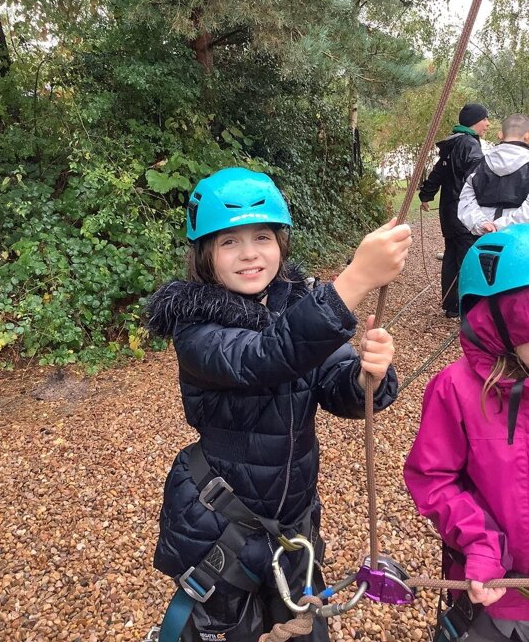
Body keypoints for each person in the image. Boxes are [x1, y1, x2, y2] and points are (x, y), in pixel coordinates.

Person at [146, 167, 412, 642]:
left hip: (294, 524)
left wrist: (367, 375)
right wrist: (354, 281)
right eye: (229, 242)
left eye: (262, 237)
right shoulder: (196, 326)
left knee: (305, 629)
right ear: (204, 254)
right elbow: (265, 357)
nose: (249, 253)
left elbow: (336, 386)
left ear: (281, 243)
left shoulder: (297, 304)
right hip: (221, 525)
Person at [404, 224, 529, 641]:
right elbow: (433, 477)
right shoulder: (456, 390)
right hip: (498, 597)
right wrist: (481, 543)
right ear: (499, 324)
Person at [419, 103, 490, 318]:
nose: (487, 124)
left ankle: (451, 306)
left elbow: (438, 171)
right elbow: (479, 177)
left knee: (451, 255)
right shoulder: (469, 144)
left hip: (449, 212)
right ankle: (469, 307)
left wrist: (426, 195)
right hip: (464, 213)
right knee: (468, 258)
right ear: (475, 121)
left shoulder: (454, 142)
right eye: (485, 119)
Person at [458, 113, 529, 235]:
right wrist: (501, 226)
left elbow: (466, 200)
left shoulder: (479, 166)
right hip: (521, 238)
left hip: (485, 237)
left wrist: (482, 223)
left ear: (500, 135)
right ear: (527, 137)